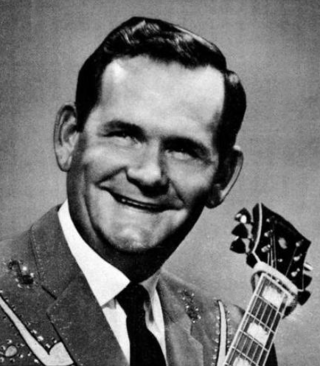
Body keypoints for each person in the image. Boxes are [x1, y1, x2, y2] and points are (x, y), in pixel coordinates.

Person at [0, 17, 277, 365]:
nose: (149, 173)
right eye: (124, 135)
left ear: (221, 177)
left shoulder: (231, 337)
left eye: (183, 149)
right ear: (69, 138)